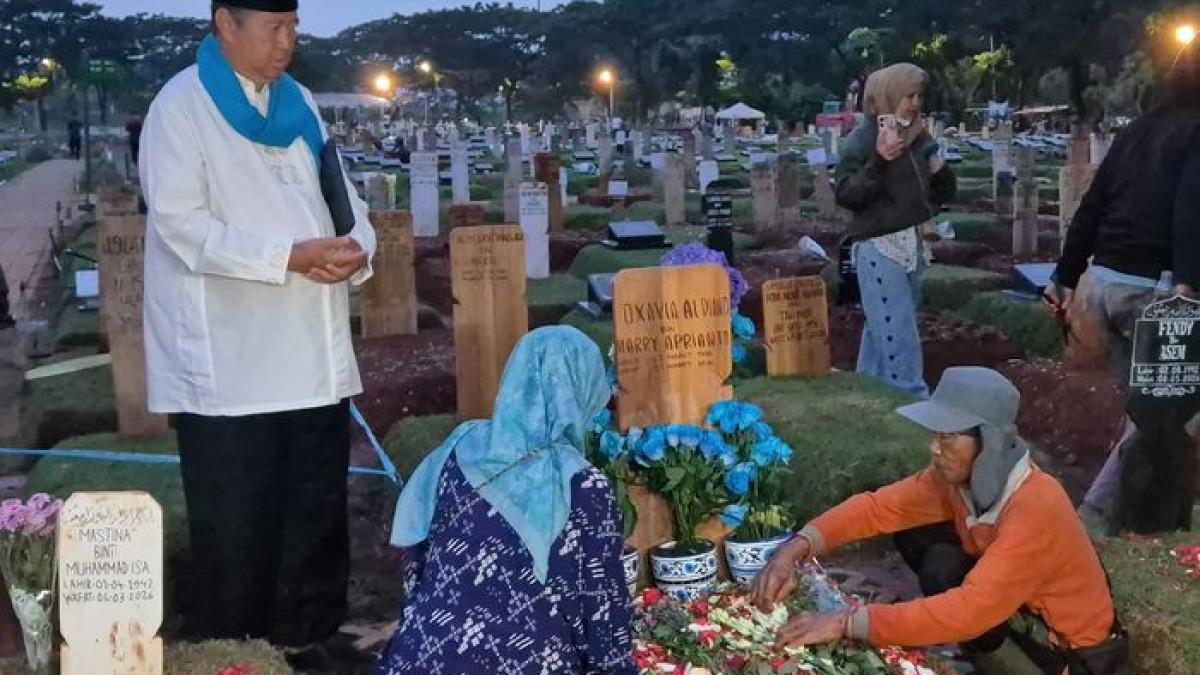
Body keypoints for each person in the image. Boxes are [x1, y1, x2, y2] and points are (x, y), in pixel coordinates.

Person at [138, 1, 376, 671]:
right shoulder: (181, 108)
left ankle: (312, 640)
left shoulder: (299, 104)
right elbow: (181, 225)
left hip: (312, 354)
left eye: (293, 25)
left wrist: (358, 247)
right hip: (232, 365)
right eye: (273, 27)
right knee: (241, 526)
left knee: (315, 511)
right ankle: (237, 656)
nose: (287, 42)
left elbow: (344, 201)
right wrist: (286, 257)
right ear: (225, 23)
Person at [751, 368, 1129, 675]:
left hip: (1071, 653)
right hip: (1019, 614)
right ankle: (990, 655)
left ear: (989, 443)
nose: (934, 448)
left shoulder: (1036, 506)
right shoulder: (958, 480)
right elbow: (878, 508)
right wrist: (796, 548)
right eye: (935, 434)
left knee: (950, 583)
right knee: (922, 541)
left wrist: (845, 622)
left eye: (948, 438)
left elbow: (968, 611)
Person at [378, 327, 635, 675]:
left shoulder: (459, 448)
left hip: (417, 657)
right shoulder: (583, 485)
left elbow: (417, 567)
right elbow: (605, 614)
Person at [1046, 40, 1200, 538]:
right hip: (1155, 293)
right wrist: (1186, 287)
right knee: (1165, 413)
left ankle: (1153, 518)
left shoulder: (1140, 128)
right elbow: (1191, 209)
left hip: (1104, 283)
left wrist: (1065, 275)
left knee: (1148, 408)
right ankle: (1093, 523)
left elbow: (1094, 201)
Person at [836, 63, 956, 398]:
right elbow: (845, 194)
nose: (916, 103)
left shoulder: (918, 136)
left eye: (919, 96)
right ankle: (912, 399)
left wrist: (940, 170)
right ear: (888, 95)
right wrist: (879, 160)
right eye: (909, 96)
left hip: (913, 242)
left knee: (884, 325)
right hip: (879, 246)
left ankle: (867, 392)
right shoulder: (863, 138)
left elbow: (943, 194)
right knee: (898, 331)